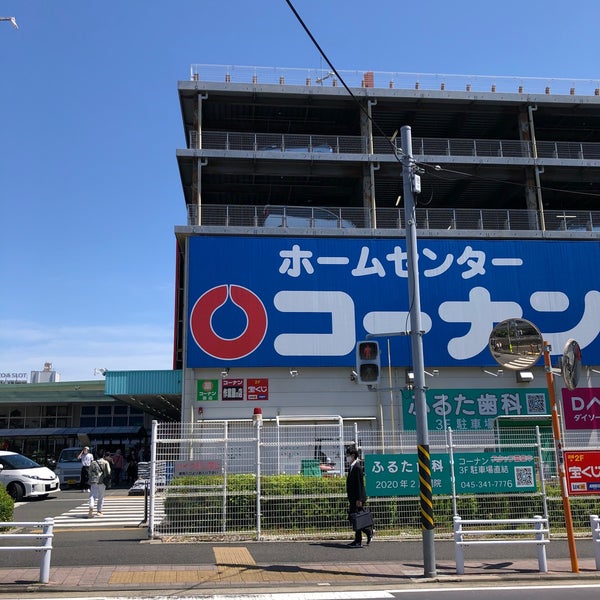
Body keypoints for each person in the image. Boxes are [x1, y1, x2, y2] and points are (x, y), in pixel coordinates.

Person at [345, 446, 373, 548]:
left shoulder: (357, 467)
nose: (346, 457)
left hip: (357, 499)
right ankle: (366, 533)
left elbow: (360, 484)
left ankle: (359, 540)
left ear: (353, 455)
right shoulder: (352, 467)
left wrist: (359, 499)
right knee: (354, 518)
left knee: (355, 518)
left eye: (347, 455)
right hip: (353, 498)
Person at [87, 450, 111, 518]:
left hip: (94, 481)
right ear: (103, 455)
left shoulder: (93, 463)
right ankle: (99, 511)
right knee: (101, 496)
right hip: (102, 481)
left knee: (92, 495)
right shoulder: (105, 462)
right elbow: (108, 472)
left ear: (96, 455)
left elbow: (89, 472)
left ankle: (91, 506)